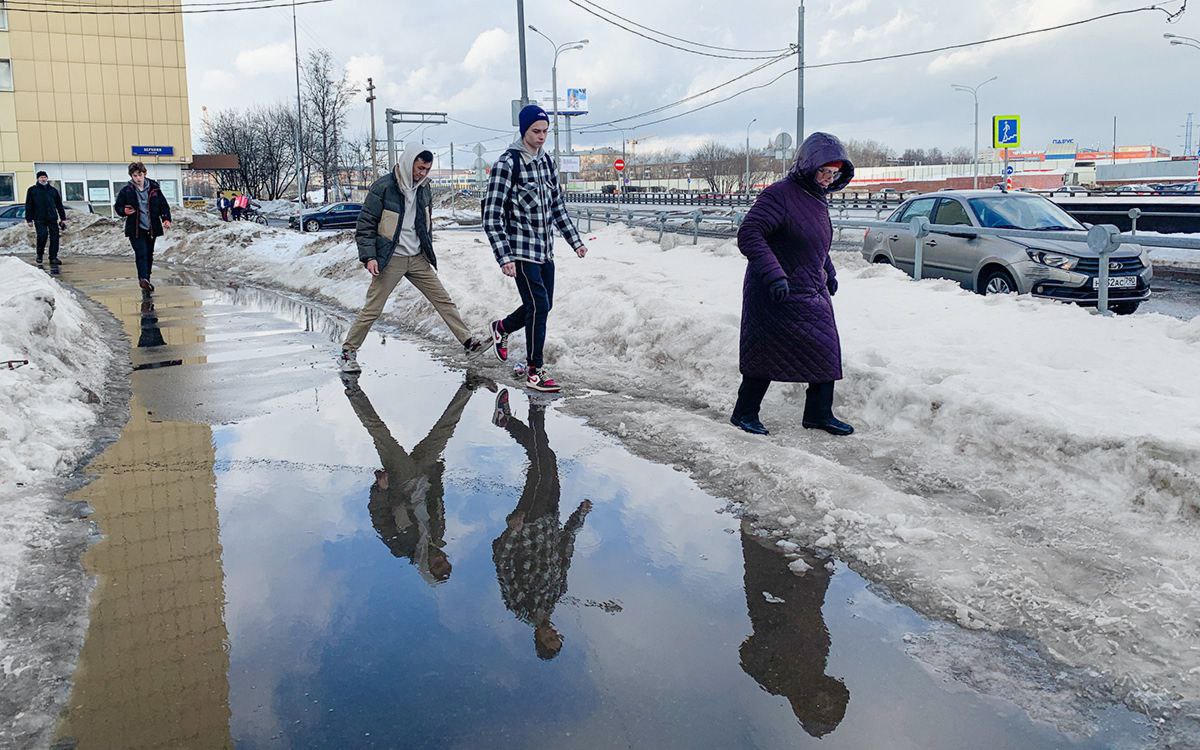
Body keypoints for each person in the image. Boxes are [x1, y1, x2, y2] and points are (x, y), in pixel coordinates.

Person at [730, 132, 856, 437]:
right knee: (766, 352)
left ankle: (818, 414)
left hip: (811, 288)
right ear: (808, 165)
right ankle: (744, 413)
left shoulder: (816, 198)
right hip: (774, 290)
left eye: (834, 173)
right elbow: (750, 234)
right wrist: (774, 274)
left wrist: (829, 269)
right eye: (823, 171)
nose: (828, 179)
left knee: (826, 350)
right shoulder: (779, 195)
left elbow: (812, 243)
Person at [339, 143, 486, 373]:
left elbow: (424, 223)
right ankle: (349, 352)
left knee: (443, 300)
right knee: (373, 309)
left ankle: (468, 343)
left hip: (417, 257)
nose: (422, 173)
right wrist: (370, 257)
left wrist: (427, 249)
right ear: (409, 163)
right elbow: (365, 224)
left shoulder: (424, 189)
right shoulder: (384, 188)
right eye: (419, 168)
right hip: (391, 258)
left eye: (427, 169)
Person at [343, 373, 491, 584]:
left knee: (380, 433)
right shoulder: (438, 534)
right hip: (423, 476)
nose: (441, 558)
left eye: (437, 564)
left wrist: (381, 489)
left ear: (426, 568)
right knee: (444, 432)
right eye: (445, 561)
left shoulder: (401, 546)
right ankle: (469, 386)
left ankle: (352, 389)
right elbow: (438, 500)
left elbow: (380, 516)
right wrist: (437, 473)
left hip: (401, 480)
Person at [482, 104, 589, 393]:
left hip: (545, 250)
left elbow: (556, 206)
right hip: (520, 251)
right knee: (539, 306)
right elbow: (491, 216)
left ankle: (502, 328)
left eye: (545, 131)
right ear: (524, 130)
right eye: (536, 131)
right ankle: (534, 370)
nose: (542, 137)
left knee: (542, 305)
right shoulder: (508, 164)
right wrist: (504, 257)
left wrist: (575, 241)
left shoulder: (546, 162)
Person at [491, 390, 592, 659]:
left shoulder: (519, 605)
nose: (553, 633)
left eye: (549, 639)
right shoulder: (555, 595)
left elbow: (502, 562)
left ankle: (536, 409)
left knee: (543, 464)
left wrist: (513, 530)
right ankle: (507, 421)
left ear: (538, 638)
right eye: (556, 637)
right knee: (547, 460)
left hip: (529, 521)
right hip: (550, 517)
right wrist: (579, 517)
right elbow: (564, 552)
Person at [737, 522, 849, 737]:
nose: (826, 702)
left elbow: (747, 653)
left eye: (822, 707)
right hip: (793, 579)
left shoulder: (778, 681)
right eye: (830, 705)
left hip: (778, 577)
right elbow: (747, 652)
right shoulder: (807, 669)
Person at [113, 162, 172, 294]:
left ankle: (147, 280)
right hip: (135, 228)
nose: (138, 178)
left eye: (140, 175)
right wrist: (124, 211)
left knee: (149, 255)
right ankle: (143, 278)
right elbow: (118, 207)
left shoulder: (154, 188)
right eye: (135, 176)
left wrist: (166, 219)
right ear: (131, 176)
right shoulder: (127, 190)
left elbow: (163, 205)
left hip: (151, 227)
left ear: (144, 174)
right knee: (141, 253)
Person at [24, 171, 67, 267]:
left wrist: (63, 218)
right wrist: (29, 219)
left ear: (47, 178)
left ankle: (53, 257)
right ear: (38, 179)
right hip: (39, 218)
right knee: (42, 235)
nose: (43, 179)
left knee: (55, 237)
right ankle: (39, 254)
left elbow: (59, 205)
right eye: (41, 177)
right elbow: (28, 205)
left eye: (44, 177)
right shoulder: (32, 190)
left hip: (52, 217)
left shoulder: (53, 190)